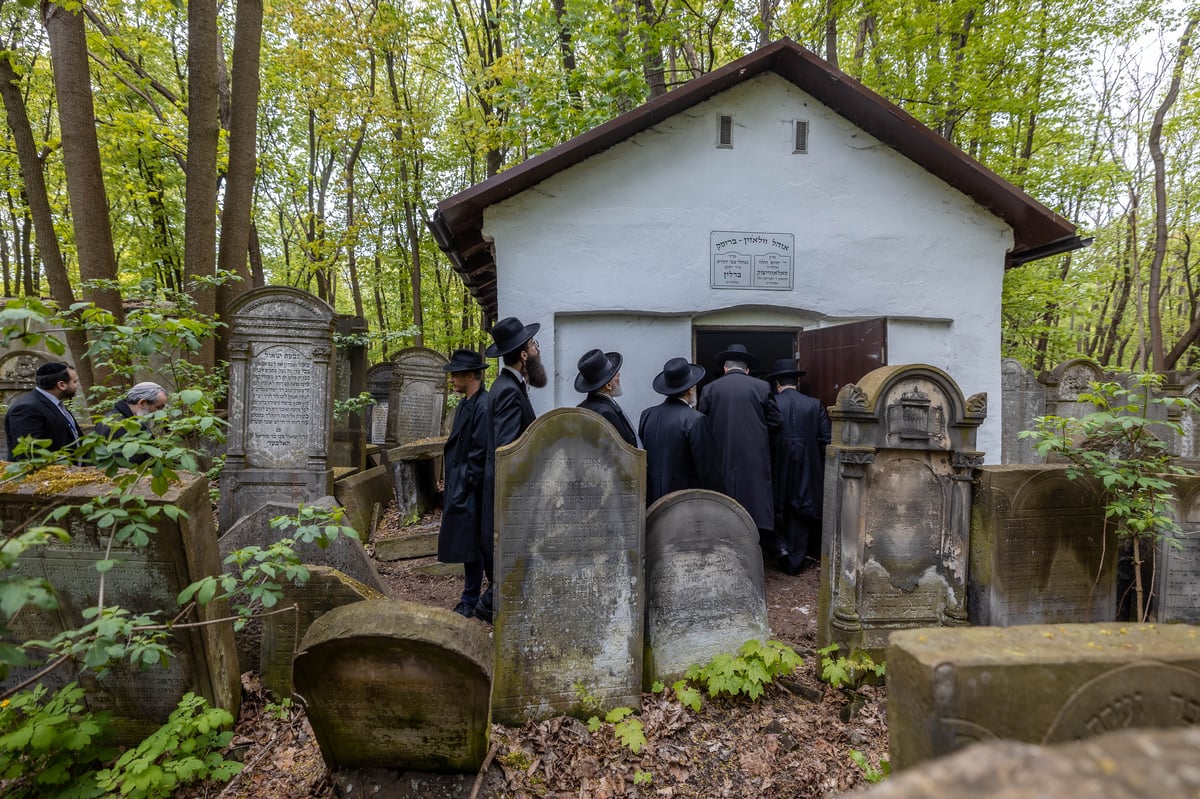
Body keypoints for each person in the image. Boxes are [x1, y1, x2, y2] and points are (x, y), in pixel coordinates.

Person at [476, 315, 545, 623]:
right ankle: (488, 610)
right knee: (514, 555)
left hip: (511, 490)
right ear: (522, 355)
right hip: (511, 492)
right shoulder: (506, 390)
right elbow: (507, 449)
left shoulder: (510, 385)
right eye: (532, 344)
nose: (535, 348)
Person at [698, 344, 783, 559]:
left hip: (721, 455)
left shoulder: (710, 389)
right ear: (747, 370)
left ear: (725, 369)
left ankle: (725, 550)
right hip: (754, 456)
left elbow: (702, 424)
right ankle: (753, 552)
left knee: (723, 500)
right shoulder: (762, 387)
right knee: (754, 501)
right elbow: (776, 422)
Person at [438, 350, 493, 618]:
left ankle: (471, 597)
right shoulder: (465, 404)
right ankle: (472, 595)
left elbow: (480, 452)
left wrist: (466, 483)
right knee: (466, 541)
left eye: (455, 375)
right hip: (461, 485)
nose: (451, 380)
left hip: (472, 488)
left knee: (472, 543)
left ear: (470, 375)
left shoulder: (483, 405)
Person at [766, 358, 831, 574]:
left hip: (778, 466)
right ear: (797, 382)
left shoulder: (772, 403)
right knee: (802, 512)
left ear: (777, 384)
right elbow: (827, 439)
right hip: (807, 467)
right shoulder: (814, 404)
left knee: (777, 508)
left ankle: (782, 549)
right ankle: (796, 561)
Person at [638, 357, 719, 506]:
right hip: (684, 502)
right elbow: (707, 470)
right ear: (691, 389)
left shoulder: (647, 415)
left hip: (651, 499)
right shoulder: (696, 419)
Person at [5, 362, 81, 459]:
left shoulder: (55, 403)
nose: (77, 385)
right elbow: (29, 454)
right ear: (61, 385)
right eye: (74, 382)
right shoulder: (27, 409)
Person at [93, 382, 168, 466]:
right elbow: (127, 468)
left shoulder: (133, 420)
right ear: (142, 403)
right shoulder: (118, 427)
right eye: (158, 407)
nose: (160, 413)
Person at [575, 349, 637, 447]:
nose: (619, 377)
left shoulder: (581, 407)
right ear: (608, 385)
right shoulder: (606, 412)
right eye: (616, 375)